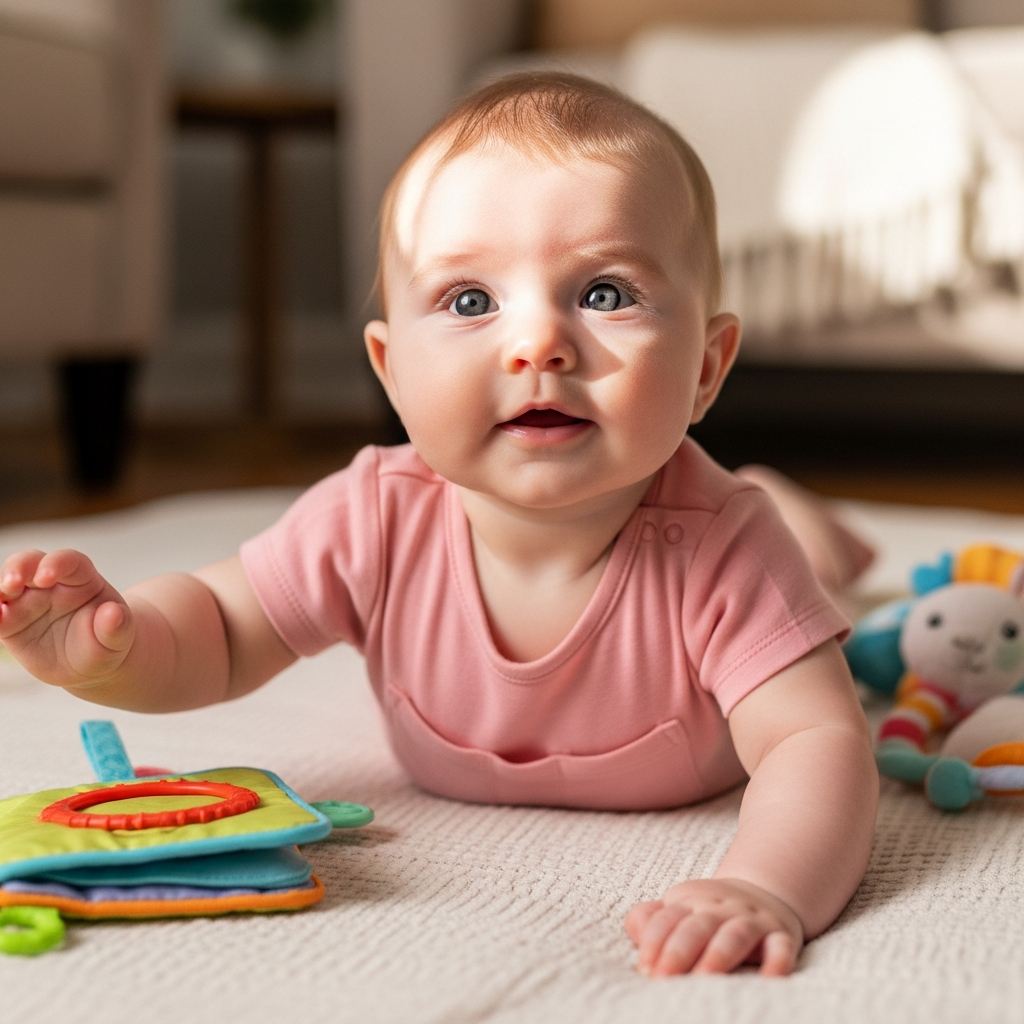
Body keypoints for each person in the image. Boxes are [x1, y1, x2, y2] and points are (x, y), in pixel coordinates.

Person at [0, 74, 877, 977]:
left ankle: (811, 523)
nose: (538, 343)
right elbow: (222, 629)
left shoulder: (727, 545)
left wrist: (765, 883)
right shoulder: (375, 514)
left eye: (606, 294)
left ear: (705, 367)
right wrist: (115, 649)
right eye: (469, 301)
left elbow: (813, 740)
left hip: (756, 544)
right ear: (391, 370)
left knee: (804, 566)